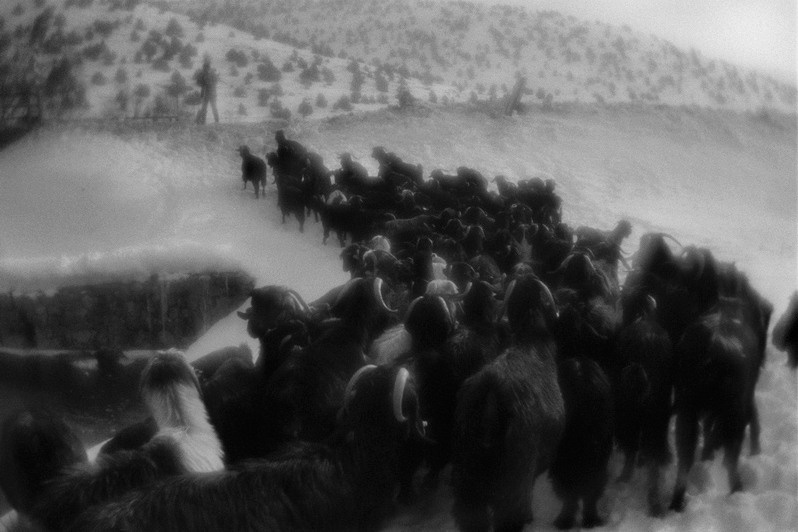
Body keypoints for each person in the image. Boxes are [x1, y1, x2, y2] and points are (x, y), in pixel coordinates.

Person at [195, 55, 219, 124]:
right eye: (204, 69)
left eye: (205, 68)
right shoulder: (205, 75)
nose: (205, 70)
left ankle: (216, 121)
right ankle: (203, 121)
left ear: (207, 68)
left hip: (210, 93)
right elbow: (199, 83)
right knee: (205, 108)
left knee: (212, 108)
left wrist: (205, 83)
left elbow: (213, 82)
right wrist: (202, 82)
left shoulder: (211, 74)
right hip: (207, 94)